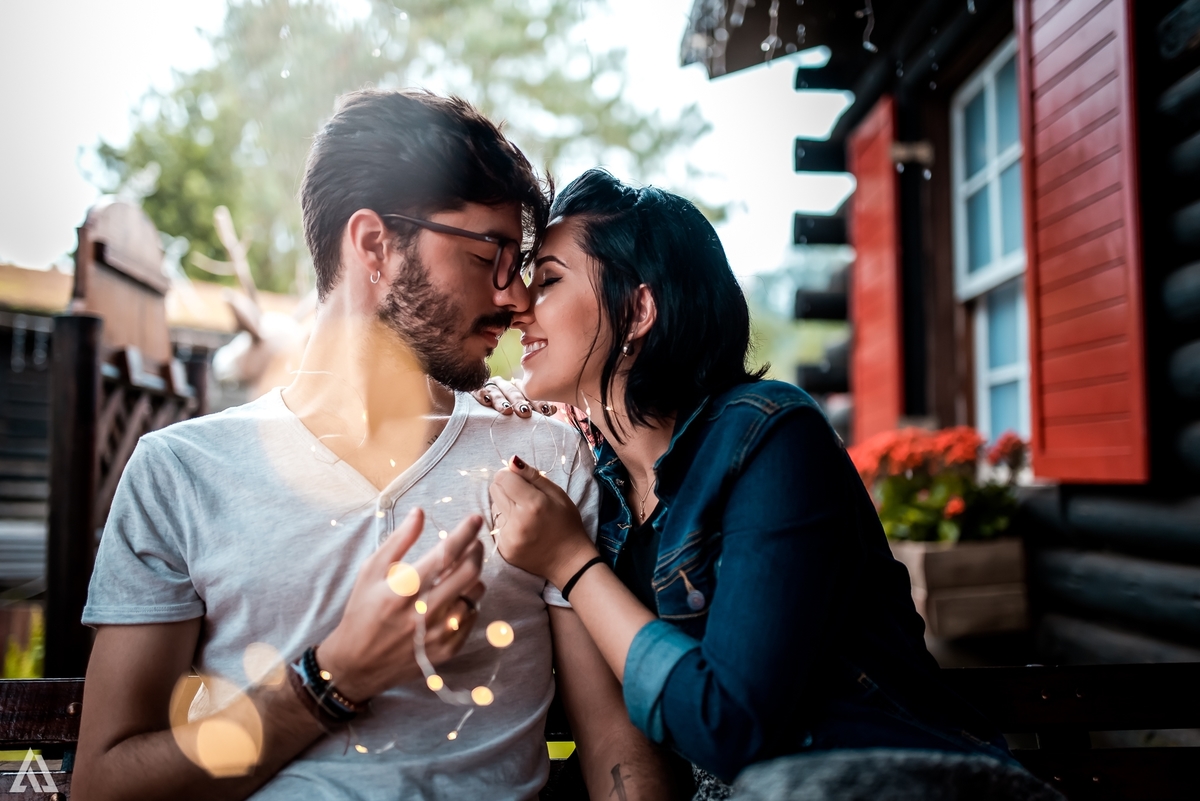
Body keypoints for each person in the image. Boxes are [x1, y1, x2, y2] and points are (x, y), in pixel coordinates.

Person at [74, 92, 679, 801]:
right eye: (491, 254)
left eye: (521, 265)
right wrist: (332, 679)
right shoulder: (179, 475)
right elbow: (104, 783)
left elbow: (614, 744)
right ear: (373, 246)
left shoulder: (543, 458)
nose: (516, 298)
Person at [480, 169, 1044, 795]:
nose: (522, 305)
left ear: (639, 310)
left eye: (551, 279)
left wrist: (572, 564)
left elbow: (730, 727)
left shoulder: (770, 436)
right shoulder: (604, 492)